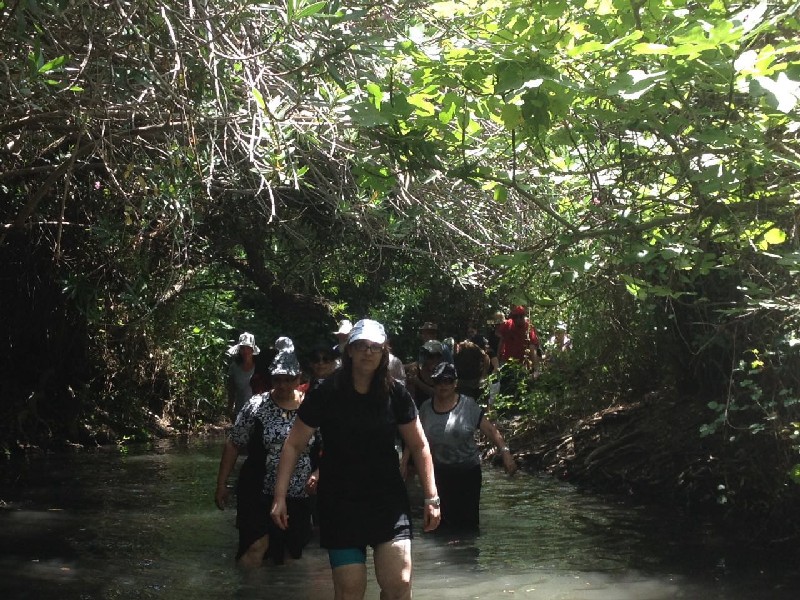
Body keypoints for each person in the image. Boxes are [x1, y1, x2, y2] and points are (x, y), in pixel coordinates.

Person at [270, 319, 440, 600]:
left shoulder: (396, 393)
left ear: (384, 352)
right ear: (349, 350)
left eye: (375, 347)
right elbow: (293, 445)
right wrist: (280, 496)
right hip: (340, 502)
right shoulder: (326, 393)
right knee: (350, 590)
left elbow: (419, 444)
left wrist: (431, 497)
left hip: (387, 500)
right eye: (361, 346)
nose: (368, 352)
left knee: (398, 584)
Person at [215, 337, 319, 568]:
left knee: (292, 554)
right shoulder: (256, 405)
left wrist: (319, 472)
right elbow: (234, 443)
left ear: (299, 379)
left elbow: (331, 447)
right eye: (277, 379)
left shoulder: (312, 407)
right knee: (255, 547)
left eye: (288, 379)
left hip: (299, 493)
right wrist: (222, 484)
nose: (282, 385)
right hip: (257, 488)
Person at [417, 362, 517, 530]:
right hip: (438, 473)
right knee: (438, 524)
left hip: (467, 473)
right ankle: (442, 556)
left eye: (448, 381)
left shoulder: (468, 405)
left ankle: (468, 554)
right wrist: (405, 463)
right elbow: (417, 441)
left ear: (455, 383)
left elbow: (491, 431)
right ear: (433, 383)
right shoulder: (426, 408)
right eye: (439, 381)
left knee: (467, 525)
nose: (443, 385)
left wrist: (506, 453)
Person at [226, 332, 260, 420]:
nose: (245, 351)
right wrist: (230, 408)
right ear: (239, 350)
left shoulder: (260, 367)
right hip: (240, 411)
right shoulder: (234, 367)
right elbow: (231, 390)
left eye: (248, 348)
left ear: (252, 349)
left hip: (257, 412)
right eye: (242, 348)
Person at [406, 339, 445, 408]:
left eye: (430, 356)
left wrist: (417, 382)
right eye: (426, 355)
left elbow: (439, 394)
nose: (427, 358)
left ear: (439, 357)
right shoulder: (416, 368)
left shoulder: (443, 372)